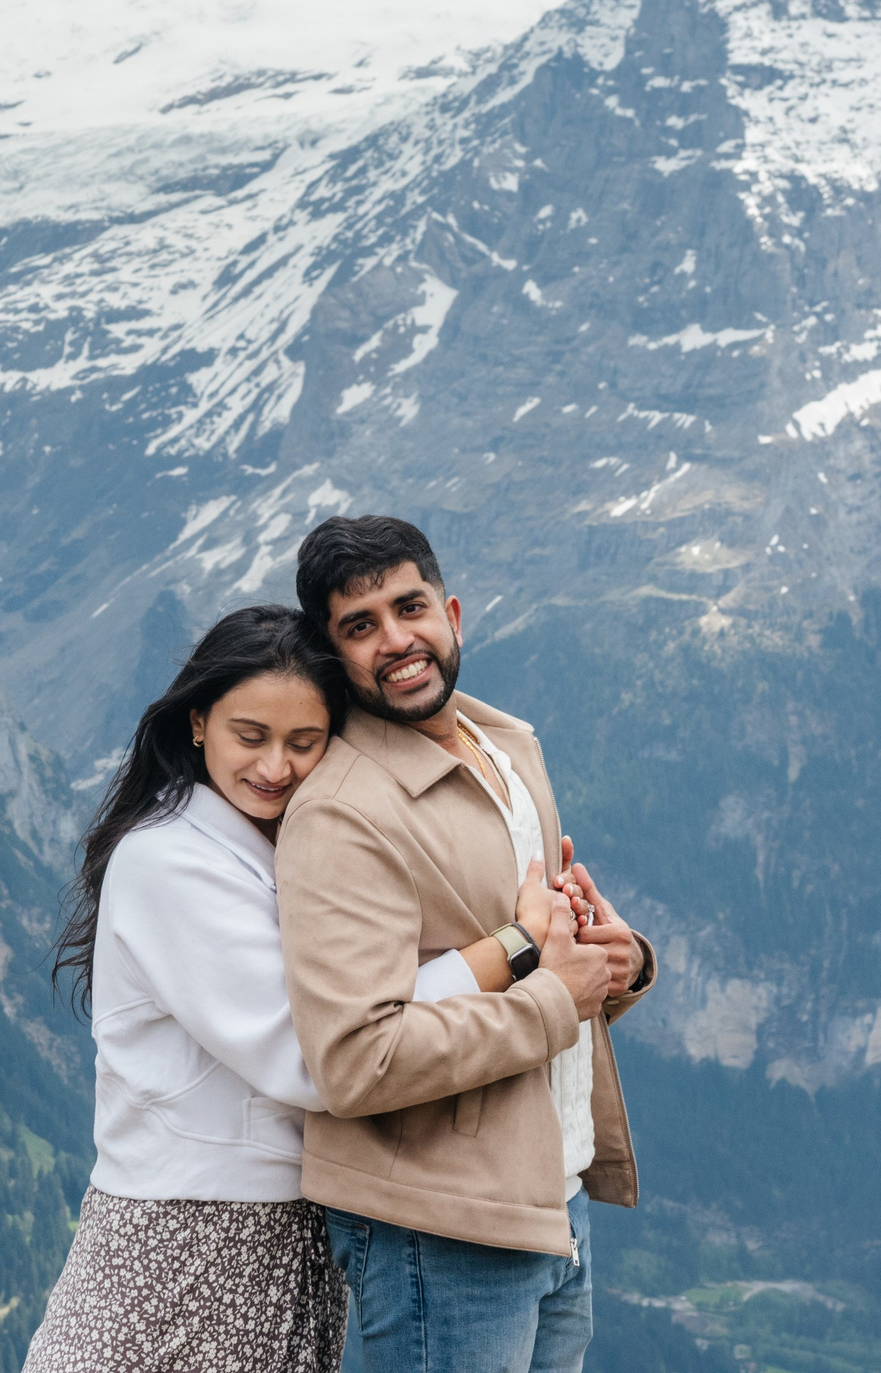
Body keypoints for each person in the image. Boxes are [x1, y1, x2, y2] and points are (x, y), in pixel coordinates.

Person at [25, 604, 555, 1373]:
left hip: (278, 1236)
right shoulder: (169, 861)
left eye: (304, 742)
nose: (275, 766)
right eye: (252, 736)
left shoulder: (275, 842)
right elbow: (317, 1057)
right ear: (198, 721)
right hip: (192, 1244)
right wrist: (512, 950)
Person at [277, 516, 658, 1373]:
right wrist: (557, 995)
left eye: (409, 606)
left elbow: (538, 961)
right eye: (359, 625)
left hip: (551, 1200)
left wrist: (616, 960)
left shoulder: (508, 748)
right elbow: (355, 1060)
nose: (396, 639)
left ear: (453, 613)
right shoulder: (343, 813)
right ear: (331, 655)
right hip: (437, 1229)